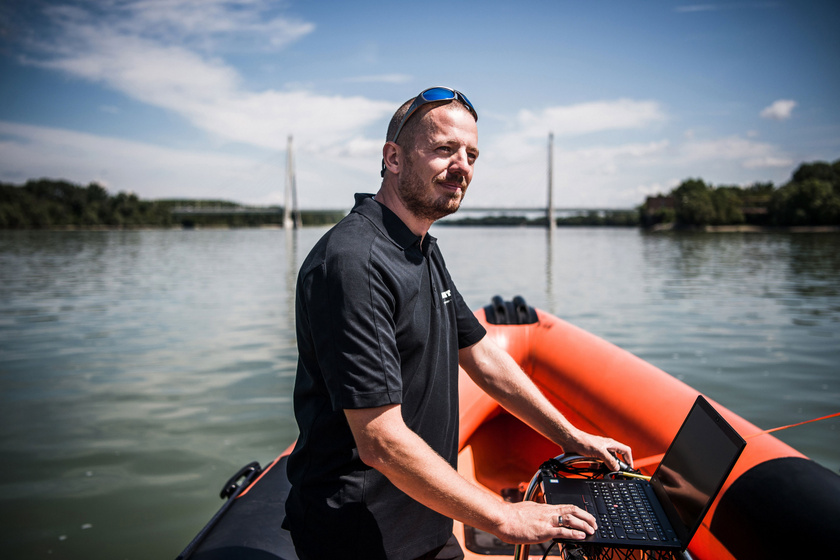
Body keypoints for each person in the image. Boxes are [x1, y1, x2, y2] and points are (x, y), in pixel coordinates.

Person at [284, 87, 633, 560]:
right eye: (444, 149)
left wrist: (573, 437)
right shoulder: (355, 262)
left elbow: (482, 354)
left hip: (425, 516)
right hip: (361, 534)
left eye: (471, 154)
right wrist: (505, 517)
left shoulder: (420, 245)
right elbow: (380, 441)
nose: (463, 165)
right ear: (394, 158)